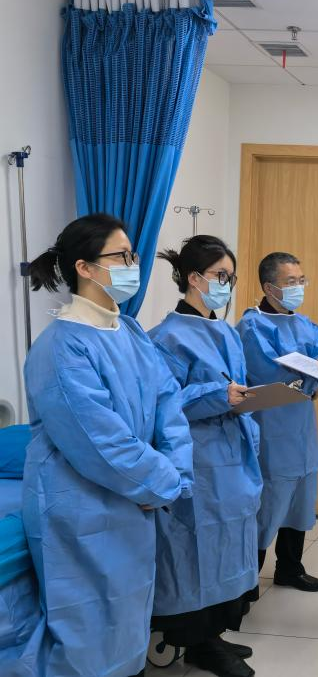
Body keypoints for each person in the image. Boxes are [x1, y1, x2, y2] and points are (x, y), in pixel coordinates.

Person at [21, 214, 192, 677]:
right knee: (86, 633)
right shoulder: (60, 347)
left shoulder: (129, 332)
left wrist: (174, 473)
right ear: (85, 267)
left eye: (133, 255)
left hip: (134, 499)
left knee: (128, 619)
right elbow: (98, 441)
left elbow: (168, 404)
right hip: (81, 509)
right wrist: (161, 482)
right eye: (122, 256)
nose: (134, 264)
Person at [149, 236, 263, 677]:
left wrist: (247, 398)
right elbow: (163, 404)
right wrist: (219, 394)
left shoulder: (224, 331)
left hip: (234, 455)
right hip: (198, 459)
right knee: (197, 550)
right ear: (194, 279)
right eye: (220, 275)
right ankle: (197, 643)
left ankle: (215, 633)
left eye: (231, 277)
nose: (227, 284)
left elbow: (236, 387)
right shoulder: (166, 337)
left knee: (229, 546)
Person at [236, 252, 318, 592]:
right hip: (271, 428)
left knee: (300, 498)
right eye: (291, 282)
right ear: (269, 287)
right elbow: (269, 375)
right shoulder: (253, 327)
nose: (298, 288)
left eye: (301, 281)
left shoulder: (305, 324)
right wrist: (310, 377)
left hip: (302, 428)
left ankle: (290, 568)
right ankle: (246, 582)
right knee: (269, 503)